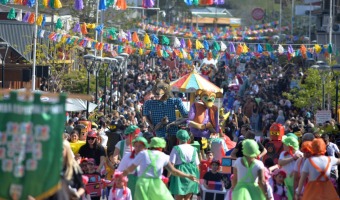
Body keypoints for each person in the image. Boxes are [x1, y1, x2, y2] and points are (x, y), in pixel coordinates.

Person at [121, 137, 197, 200]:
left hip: (142, 183)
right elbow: (174, 171)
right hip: (157, 184)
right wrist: (188, 176)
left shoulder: (143, 153)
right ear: (161, 147)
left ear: (151, 145)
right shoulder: (164, 156)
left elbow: (130, 169)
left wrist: (120, 176)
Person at [169, 130, 199, 200]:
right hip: (192, 174)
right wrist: (197, 178)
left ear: (178, 138)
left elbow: (171, 165)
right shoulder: (194, 149)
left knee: (178, 198)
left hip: (179, 174)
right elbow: (197, 165)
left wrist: (168, 177)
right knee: (187, 198)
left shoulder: (176, 148)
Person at [278, 135, 302, 200]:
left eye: (285, 144)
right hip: (285, 181)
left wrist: (295, 170)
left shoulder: (300, 154)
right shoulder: (283, 153)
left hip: (295, 181)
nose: (283, 145)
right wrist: (292, 158)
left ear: (290, 147)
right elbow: (280, 162)